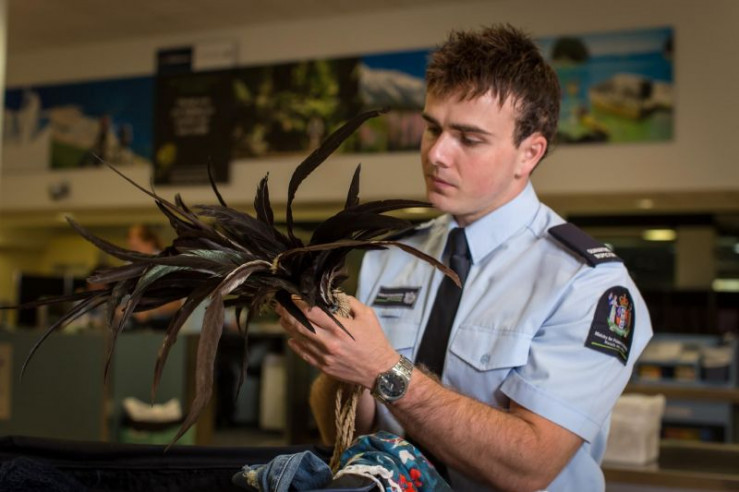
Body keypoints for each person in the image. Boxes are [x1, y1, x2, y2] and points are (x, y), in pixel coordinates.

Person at [276, 24, 653, 491]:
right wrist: (341, 361)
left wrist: (382, 369)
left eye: (469, 138)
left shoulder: (586, 283)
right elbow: (344, 436)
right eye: (432, 128)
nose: (436, 153)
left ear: (529, 153)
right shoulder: (392, 256)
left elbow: (531, 465)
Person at [126, 224, 181, 329]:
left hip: (163, 326)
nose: (133, 252)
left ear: (149, 243)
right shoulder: (130, 266)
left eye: (136, 247)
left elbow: (176, 303)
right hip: (136, 327)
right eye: (131, 247)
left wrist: (151, 312)